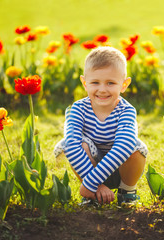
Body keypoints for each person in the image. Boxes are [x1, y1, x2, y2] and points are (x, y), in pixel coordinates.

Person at [54, 46, 147, 205]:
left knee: (135, 147)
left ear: (124, 84)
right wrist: (96, 185)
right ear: (84, 83)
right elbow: (71, 144)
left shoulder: (126, 111)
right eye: (95, 82)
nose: (102, 90)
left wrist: (91, 182)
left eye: (110, 83)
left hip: (122, 168)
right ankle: (93, 195)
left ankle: (127, 191)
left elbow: (123, 147)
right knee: (74, 144)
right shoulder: (78, 109)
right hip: (88, 167)